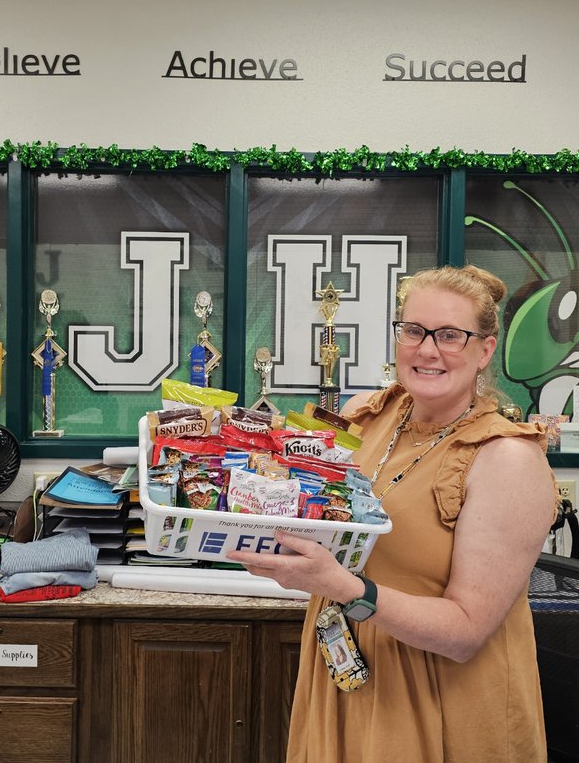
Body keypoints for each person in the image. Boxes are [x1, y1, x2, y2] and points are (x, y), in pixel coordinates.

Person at [229, 264, 557, 762]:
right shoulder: (368, 415)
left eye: (451, 335)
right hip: (347, 676)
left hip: (441, 704)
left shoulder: (507, 459)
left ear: (485, 349)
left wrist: (339, 586)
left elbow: (467, 633)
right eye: (414, 330)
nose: (428, 349)